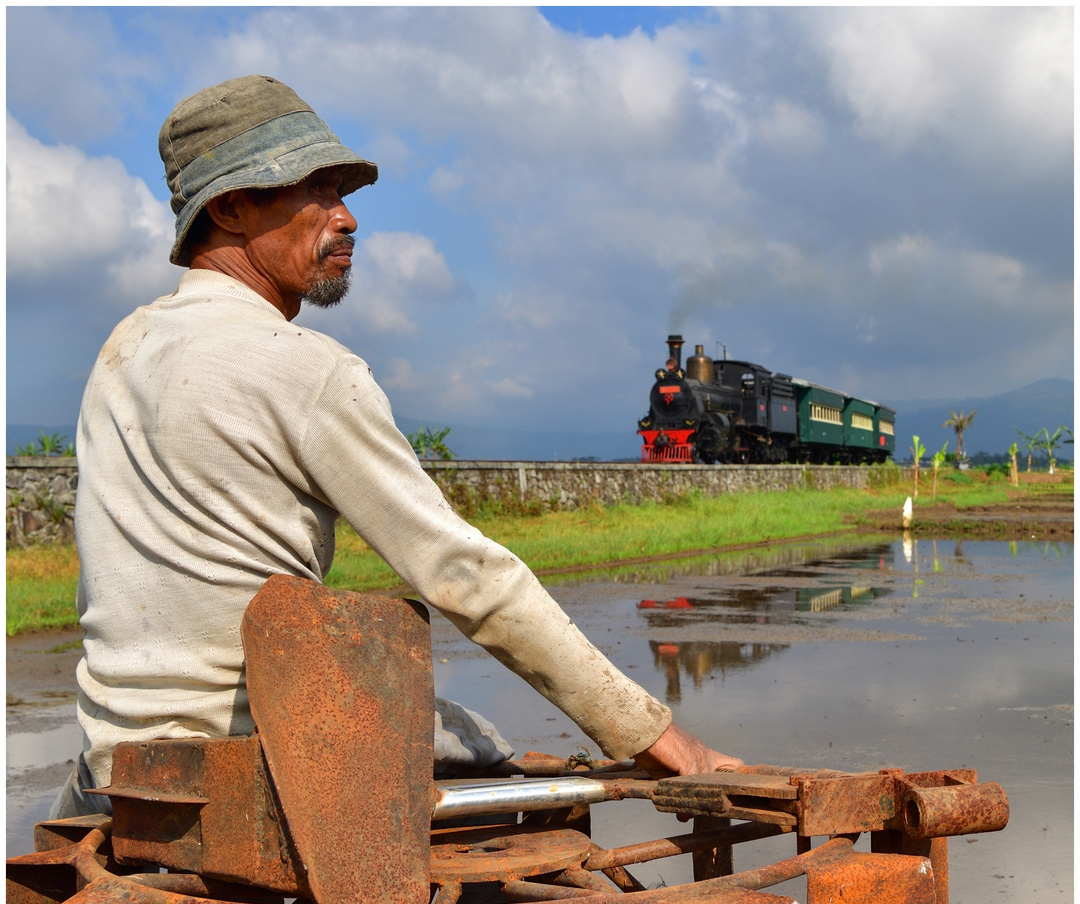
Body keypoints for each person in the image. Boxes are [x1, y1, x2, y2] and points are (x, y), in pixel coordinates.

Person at [51, 74, 742, 820]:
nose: (347, 218)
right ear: (229, 207)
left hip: (113, 760)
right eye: (313, 191)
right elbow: (463, 575)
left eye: (345, 193)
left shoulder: (122, 349)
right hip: (249, 759)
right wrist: (657, 736)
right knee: (508, 773)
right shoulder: (307, 368)